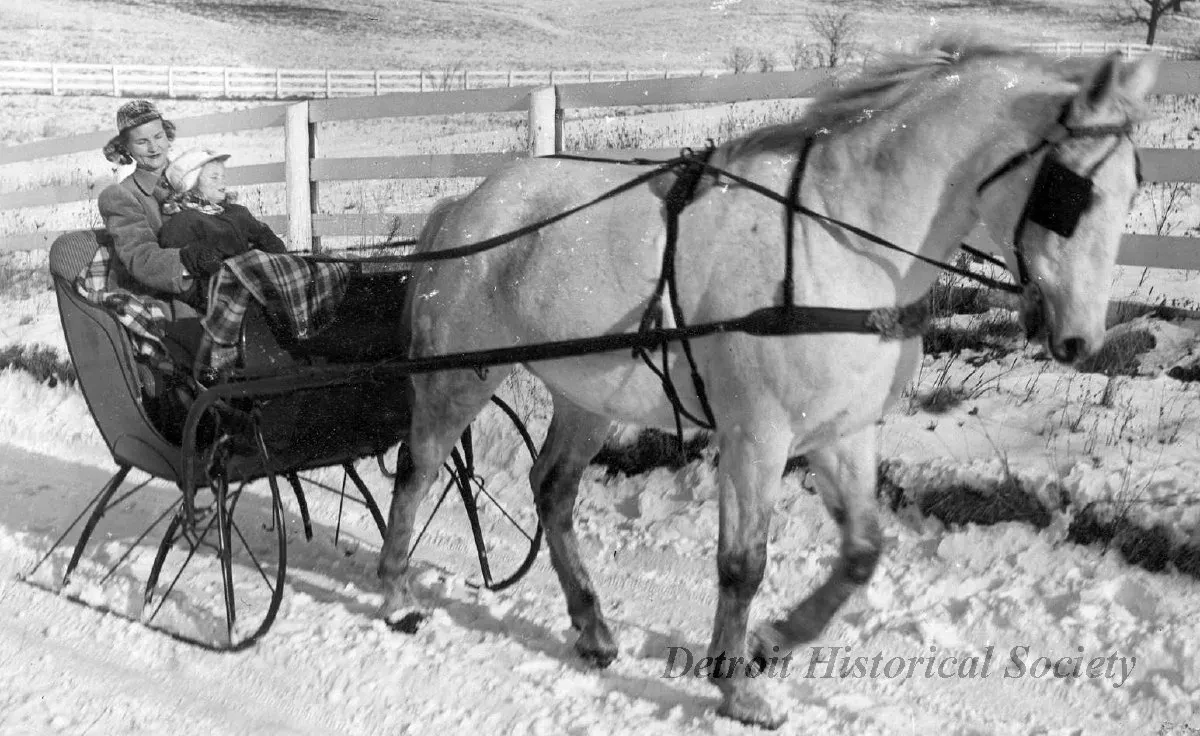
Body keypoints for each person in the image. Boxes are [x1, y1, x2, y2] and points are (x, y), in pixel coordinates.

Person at [159, 147, 288, 312]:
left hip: (253, 285)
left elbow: (265, 237)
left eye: (223, 177)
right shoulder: (184, 221)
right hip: (219, 297)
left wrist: (279, 261)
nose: (222, 183)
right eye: (214, 178)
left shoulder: (236, 212)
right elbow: (181, 275)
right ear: (191, 184)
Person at [98, 100, 197, 303]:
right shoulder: (121, 195)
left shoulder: (192, 176)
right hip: (159, 292)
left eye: (158, 136)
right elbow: (140, 257)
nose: (154, 148)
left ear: (167, 136)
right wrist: (191, 265)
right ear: (126, 148)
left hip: (204, 278)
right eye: (142, 142)